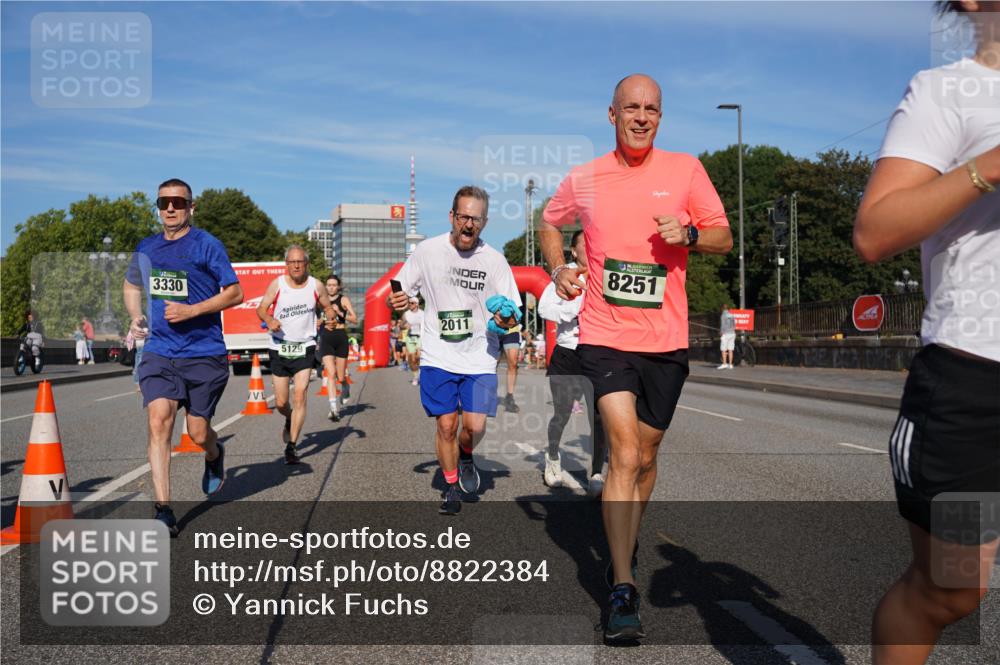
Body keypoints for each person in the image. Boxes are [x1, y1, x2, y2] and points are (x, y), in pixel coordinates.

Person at [539, 74, 733, 641]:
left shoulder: (686, 171)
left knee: (647, 456)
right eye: (632, 108)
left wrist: (691, 233)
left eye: (651, 109)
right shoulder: (587, 177)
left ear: (660, 117)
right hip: (604, 336)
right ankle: (622, 587)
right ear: (612, 114)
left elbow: (723, 235)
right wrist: (560, 268)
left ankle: (621, 546)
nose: (641, 117)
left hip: (666, 341)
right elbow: (551, 223)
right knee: (623, 452)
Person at [852, 4, 999, 663]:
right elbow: (876, 231)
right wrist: (988, 167)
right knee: (952, 588)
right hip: (978, 383)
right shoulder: (946, 91)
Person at [390, 185, 521, 516]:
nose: (469, 224)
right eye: (463, 216)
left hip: (479, 356)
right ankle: (449, 487)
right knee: (446, 425)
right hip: (438, 354)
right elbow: (400, 289)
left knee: (474, 428)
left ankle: (466, 455)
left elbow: (513, 311)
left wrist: (505, 317)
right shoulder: (427, 252)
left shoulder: (494, 260)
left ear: (485, 222)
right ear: (452, 216)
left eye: (476, 219)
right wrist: (399, 300)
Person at [124, 178, 243, 537]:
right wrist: (135, 315)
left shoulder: (207, 244)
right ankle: (163, 510)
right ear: (158, 207)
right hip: (160, 350)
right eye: (164, 203)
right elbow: (132, 285)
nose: (171, 208)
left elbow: (235, 292)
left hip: (204, 352)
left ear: (192, 207)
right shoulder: (146, 248)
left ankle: (213, 454)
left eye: (178, 202)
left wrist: (192, 312)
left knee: (197, 431)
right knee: (159, 419)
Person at [538, 230, 607, 496]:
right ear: (574, 251)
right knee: (562, 413)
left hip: (599, 353)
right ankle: (553, 457)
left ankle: (597, 472)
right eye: (585, 246)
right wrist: (575, 308)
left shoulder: (605, 273)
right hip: (568, 353)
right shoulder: (565, 274)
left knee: (599, 417)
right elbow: (545, 309)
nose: (591, 250)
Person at [258, 247, 337, 463]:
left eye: (300, 261)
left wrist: (331, 319)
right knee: (282, 403)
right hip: (279, 347)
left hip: (305, 346)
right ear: (286, 264)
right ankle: (288, 418)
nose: (295, 265)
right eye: (291, 262)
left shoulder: (315, 285)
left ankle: (292, 446)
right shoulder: (278, 284)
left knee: (300, 394)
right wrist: (269, 319)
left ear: (306, 264)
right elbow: (261, 308)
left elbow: (328, 308)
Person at [317, 274, 358, 420]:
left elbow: (354, 319)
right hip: (327, 338)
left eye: (334, 285)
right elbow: (317, 319)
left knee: (340, 376)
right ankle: (333, 409)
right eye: (329, 285)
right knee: (331, 373)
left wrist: (340, 312)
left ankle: (345, 386)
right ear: (325, 286)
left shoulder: (343, 299)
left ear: (338, 286)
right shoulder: (321, 300)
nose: (331, 287)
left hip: (340, 337)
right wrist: (320, 321)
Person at [402, 297, 425, 386]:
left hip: (420, 337)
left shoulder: (423, 314)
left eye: (411, 303)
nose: (409, 304)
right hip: (410, 337)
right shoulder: (406, 314)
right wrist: (404, 325)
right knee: (412, 359)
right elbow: (400, 325)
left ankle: (420, 373)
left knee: (419, 355)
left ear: (416, 304)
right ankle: (416, 376)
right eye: (409, 303)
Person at [498, 328, 522, 412]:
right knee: (492, 365)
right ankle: (487, 396)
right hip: (492, 329)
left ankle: (510, 397)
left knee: (513, 363)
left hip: (511, 329)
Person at [718, 304, 736, 369]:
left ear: (722, 309)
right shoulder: (732, 315)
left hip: (725, 334)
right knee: (730, 350)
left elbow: (722, 326)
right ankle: (730, 365)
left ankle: (724, 363)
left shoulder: (723, 315)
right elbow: (734, 325)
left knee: (723, 349)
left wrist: (721, 332)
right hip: (732, 333)